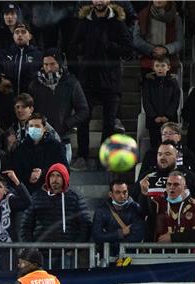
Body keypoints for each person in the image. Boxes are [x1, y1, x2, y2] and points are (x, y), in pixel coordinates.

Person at [68, 0, 133, 170]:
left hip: (111, 81)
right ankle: (82, 156)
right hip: (88, 79)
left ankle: (104, 158)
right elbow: (73, 47)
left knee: (109, 122)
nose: (98, 1)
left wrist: (108, 45)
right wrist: (86, 48)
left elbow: (128, 49)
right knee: (83, 120)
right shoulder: (84, 22)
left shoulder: (117, 23)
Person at [30, 49, 89, 166]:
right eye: (46, 64)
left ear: (59, 64)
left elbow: (84, 110)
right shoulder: (34, 84)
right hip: (39, 138)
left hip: (62, 138)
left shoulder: (71, 83)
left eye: (52, 64)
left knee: (60, 175)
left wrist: (67, 124)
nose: (49, 68)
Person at [20, 163, 91, 252]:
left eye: (58, 176)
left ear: (65, 178)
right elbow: (26, 226)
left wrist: (74, 249)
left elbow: (85, 225)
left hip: (66, 254)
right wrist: (31, 248)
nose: (55, 179)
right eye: (52, 176)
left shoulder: (75, 197)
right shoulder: (37, 197)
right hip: (41, 255)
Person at [135, 141, 195, 210]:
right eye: (160, 154)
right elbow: (136, 208)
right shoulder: (146, 177)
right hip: (153, 220)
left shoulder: (190, 177)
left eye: (167, 154)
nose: (162, 158)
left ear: (177, 156)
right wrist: (143, 194)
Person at [141, 171, 195, 243]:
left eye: (176, 184)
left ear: (184, 187)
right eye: (169, 184)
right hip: (158, 253)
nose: (171, 187)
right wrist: (144, 194)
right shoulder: (157, 202)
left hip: (185, 253)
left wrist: (173, 238)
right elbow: (144, 212)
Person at [11, 113, 67, 194]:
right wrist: (29, 176)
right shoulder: (21, 148)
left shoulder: (56, 146)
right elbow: (17, 171)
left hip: (51, 191)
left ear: (44, 128)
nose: (34, 129)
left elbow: (64, 168)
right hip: (28, 192)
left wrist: (42, 173)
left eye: (37, 126)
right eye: (31, 126)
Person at [92, 178, 146, 261]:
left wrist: (110, 239)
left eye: (125, 192)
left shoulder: (135, 208)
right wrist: (120, 233)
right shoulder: (101, 210)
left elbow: (138, 235)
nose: (122, 196)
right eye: (118, 192)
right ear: (110, 194)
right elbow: (97, 236)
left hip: (131, 258)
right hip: (107, 258)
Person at [132, 1, 183, 76]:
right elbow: (136, 40)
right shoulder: (142, 15)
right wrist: (152, 49)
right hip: (148, 59)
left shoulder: (175, 18)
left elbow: (180, 42)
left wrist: (166, 49)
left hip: (169, 60)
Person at [0, 22, 41, 98]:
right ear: (13, 36)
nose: (20, 35)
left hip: (30, 101)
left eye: (23, 32)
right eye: (17, 32)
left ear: (30, 36)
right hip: (7, 99)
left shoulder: (38, 56)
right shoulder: (3, 54)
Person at [141, 56, 181, 150]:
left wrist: (167, 115)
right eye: (157, 66)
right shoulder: (148, 83)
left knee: (171, 145)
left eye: (163, 66)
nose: (160, 68)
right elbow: (146, 101)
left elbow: (175, 100)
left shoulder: (173, 82)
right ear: (153, 68)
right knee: (155, 145)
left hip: (170, 120)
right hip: (153, 121)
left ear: (168, 67)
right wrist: (155, 116)